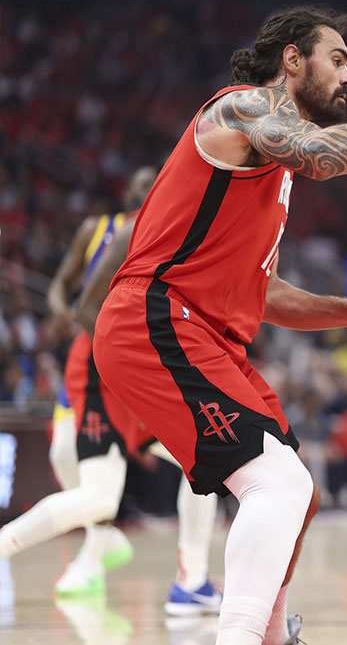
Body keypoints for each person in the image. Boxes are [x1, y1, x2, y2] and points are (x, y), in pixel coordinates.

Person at [91, 6, 347, 645]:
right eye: (338, 59)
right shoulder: (241, 111)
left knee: (300, 492)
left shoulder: (272, 170)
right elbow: (321, 154)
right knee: (276, 483)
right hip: (154, 317)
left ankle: (269, 634)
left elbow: (262, 293)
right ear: (293, 59)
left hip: (202, 332)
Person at [1, 167, 226, 615]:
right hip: (102, 366)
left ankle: (191, 580)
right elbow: (84, 305)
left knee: (204, 464)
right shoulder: (119, 229)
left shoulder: (169, 230)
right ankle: (79, 550)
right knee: (92, 489)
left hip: (132, 371)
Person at [13, 167, 154, 595]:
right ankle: (101, 535)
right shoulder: (98, 229)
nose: (144, 190)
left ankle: (100, 554)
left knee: (101, 484)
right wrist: (60, 311)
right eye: (139, 184)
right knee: (63, 452)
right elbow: (63, 287)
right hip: (91, 350)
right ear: (127, 190)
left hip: (127, 359)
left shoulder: (161, 230)